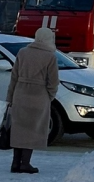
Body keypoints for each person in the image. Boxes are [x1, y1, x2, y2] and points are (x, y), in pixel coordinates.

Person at [6, 27, 59, 173]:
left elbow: (14, 77)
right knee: (32, 130)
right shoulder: (50, 56)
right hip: (39, 96)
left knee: (18, 129)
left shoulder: (23, 52)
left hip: (20, 93)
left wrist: (10, 97)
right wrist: (49, 96)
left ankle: (15, 163)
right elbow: (53, 81)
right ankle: (25, 163)